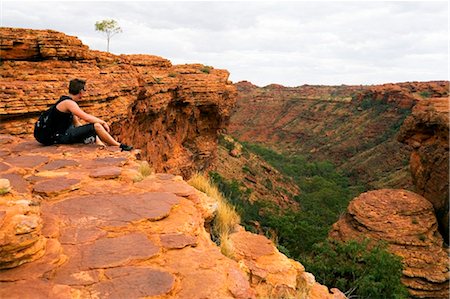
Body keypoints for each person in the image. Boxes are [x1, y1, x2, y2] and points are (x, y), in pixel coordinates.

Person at [49, 78, 133, 151]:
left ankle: (102, 146)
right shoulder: (69, 103)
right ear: (81, 91)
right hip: (58, 137)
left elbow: (77, 123)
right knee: (96, 126)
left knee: (91, 130)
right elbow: (86, 117)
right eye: (84, 90)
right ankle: (118, 145)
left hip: (57, 135)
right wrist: (103, 122)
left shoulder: (65, 100)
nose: (85, 93)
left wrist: (86, 131)